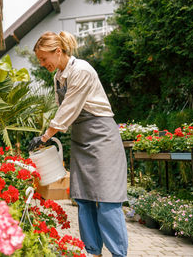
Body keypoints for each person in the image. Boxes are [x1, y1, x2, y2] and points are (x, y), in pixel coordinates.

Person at [28, 31, 128, 257]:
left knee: (107, 198)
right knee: (83, 198)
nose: (43, 64)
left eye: (44, 59)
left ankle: (118, 253)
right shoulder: (59, 76)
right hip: (81, 138)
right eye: (40, 60)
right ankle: (93, 251)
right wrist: (47, 136)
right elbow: (63, 112)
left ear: (59, 51)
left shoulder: (81, 70)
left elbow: (68, 110)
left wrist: (44, 137)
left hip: (102, 137)